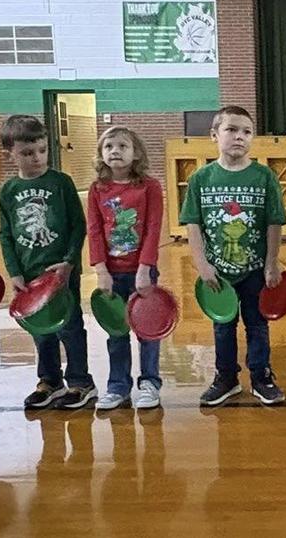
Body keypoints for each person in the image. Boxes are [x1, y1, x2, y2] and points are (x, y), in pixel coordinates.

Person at [184, 106, 286, 407]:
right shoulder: (201, 178)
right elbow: (193, 223)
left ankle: (261, 376)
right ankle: (226, 377)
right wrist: (202, 264)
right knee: (222, 325)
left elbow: (273, 222)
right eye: (231, 130)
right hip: (219, 272)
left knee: (257, 324)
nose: (239, 137)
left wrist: (271, 263)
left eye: (246, 131)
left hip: (256, 270)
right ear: (214, 135)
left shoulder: (264, 176)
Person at [0, 115, 93, 411]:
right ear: (10, 153)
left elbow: (79, 226)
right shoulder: (8, 191)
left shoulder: (61, 183)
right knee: (41, 328)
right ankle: (50, 382)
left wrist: (68, 263)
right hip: (29, 274)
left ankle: (80, 382)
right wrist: (14, 272)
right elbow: (6, 234)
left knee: (70, 326)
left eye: (41, 150)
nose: (36, 158)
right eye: (27, 153)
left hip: (61, 274)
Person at [87, 126, 166, 410]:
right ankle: (118, 386)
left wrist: (145, 268)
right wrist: (101, 270)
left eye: (122, 146)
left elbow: (154, 229)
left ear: (136, 153)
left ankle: (149, 383)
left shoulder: (149, 187)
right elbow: (94, 230)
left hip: (142, 271)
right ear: (101, 154)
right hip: (112, 272)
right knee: (117, 332)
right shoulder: (98, 189)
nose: (115, 151)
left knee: (147, 331)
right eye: (109, 147)